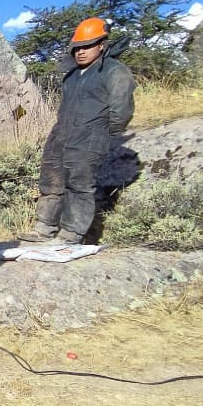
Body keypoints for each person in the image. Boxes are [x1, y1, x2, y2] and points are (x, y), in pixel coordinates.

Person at [20, 17, 135, 244]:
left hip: (90, 137)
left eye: (87, 46)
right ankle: (44, 228)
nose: (80, 52)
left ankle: (71, 233)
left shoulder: (114, 71)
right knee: (51, 181)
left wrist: (102, 134)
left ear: (101, 45)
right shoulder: (72, 75)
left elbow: (121, 110)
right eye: (77, 47)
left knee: (79, 185)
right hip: (61, 135)